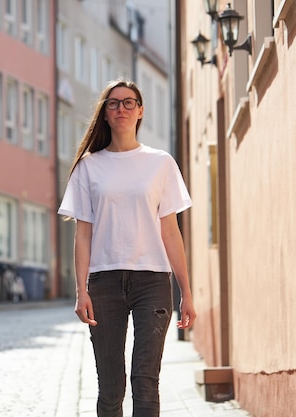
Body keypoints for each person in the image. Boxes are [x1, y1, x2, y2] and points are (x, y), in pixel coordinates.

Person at [57, 79, 196, 417]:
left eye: (129, 102)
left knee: (145, 380)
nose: (121, 108)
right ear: (104, 113)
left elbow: (171, 232)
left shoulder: (160, 163)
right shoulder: (88, 167)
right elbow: (84, 234)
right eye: (113, 103)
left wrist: (186, 292)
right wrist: (81, 290)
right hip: (103, 282)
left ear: (141, 111)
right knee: (110, 387)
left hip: (152, 282)